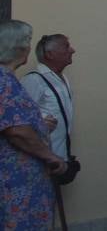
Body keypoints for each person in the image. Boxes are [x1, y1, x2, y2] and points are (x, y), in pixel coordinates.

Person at [0, 20, 62, 230]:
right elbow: (16, 131)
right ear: (18, 46)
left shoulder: (7, 79)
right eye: (27, 41)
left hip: (21, 185)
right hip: (16, 186)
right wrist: (50, 156)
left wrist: (39, 125)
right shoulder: (4, 81)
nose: (29, 46)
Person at [21, 33, 75, 164]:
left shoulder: (62, 79)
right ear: (50, 54)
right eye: (66, 46)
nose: (72, 50)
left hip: (59, 159)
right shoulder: (34, 80)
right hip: (40, 161)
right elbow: (20, 120)